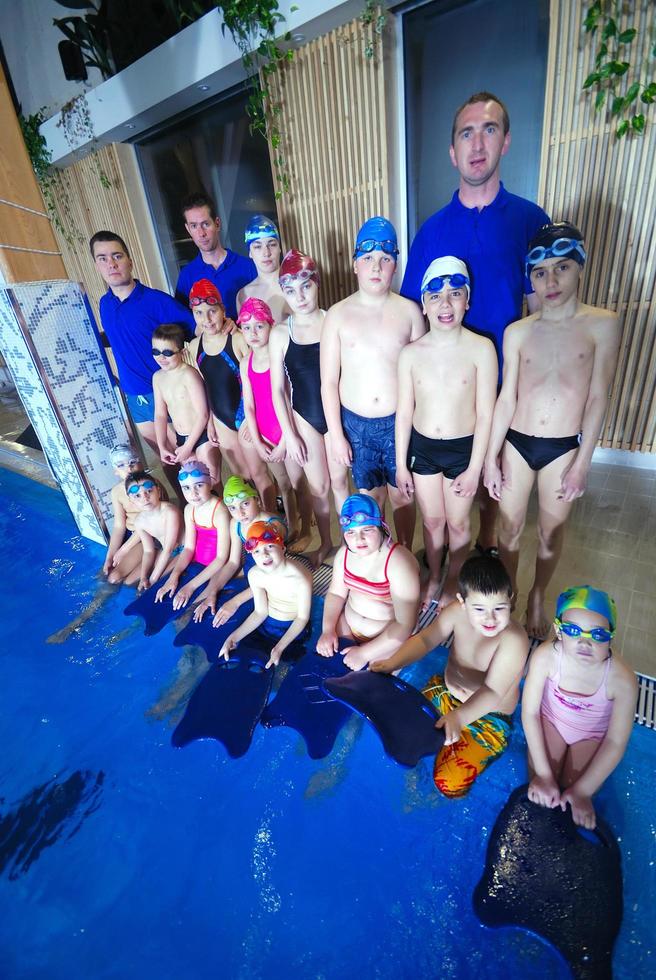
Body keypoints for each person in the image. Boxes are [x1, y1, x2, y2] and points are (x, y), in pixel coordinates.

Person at [401, 92, 550, 552]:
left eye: (489, 129)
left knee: (495, 488)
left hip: (507, 386)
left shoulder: (529, 221)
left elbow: (543, 314)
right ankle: (449, 558)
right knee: (451, 496)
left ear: (505, 141)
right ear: (453, 151)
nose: (477, 142)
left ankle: (480, 562)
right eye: (467, 132)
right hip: (450, 390)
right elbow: (413, 316)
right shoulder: (433, 229)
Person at [484, 222, 620, 638]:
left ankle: (538, 594)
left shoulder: (603, 324)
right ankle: (508, 595)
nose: (551, 280)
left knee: (548, 531)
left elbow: (598, 397)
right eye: (540, 272)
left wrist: (583, 463)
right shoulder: (518, 332)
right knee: (506, 529)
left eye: (561, 267)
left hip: (563, 447)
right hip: (517, 443)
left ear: (580, 267)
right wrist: (490, 457)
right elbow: (506, 399)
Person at [373, 554, 528, 798]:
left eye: (499, 608)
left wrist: (459, 717)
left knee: (450, 784)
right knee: (399, 735)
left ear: (510, 599)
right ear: (462, 602)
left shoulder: (514, 640)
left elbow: (493, 691)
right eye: (479, 609)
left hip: (487, 717)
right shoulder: (456, 613)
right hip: (445, 693)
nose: (490, 618)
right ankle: (419, 765)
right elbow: (425, 640)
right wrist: (393, 662)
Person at [396, 257, 497, 611]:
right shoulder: (410, 354)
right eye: (435, 296)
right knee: (433, 520)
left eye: (455, 294)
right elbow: (404, 412)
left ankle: (455, 579)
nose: (445, 304)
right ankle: (435, 575)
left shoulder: (481, 348)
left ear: (467, 301)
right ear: (423, 305)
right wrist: (399, 465)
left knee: (457, 523)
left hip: (462, 451)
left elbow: (486, 414)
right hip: (422, 450)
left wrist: (475, 469)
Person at [321, 217, 425, 545]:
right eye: (367, 258)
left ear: (396, 264)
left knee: (403, 497)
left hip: (399, 423)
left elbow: (421, 380)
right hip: (357, 425)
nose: (376, 266)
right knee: (371, 497)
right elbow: (328, 383)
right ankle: (377, 558)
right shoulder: (337, 314)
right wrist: (337, 436)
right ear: (355, 265)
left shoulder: (410, 312)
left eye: (385, 258)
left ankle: (404, 553)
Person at [521, 586, 637, 829]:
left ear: (612, 637)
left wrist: (583, 791)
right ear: (558, 631)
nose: (585, 642)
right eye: (573, 631)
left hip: (591, 737)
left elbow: (615, 742)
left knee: (574, 794)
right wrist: (543, 774)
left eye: (598, 635)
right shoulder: (545, 657)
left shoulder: (622, 679)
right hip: (551, 723)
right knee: (543, 788)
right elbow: (530, 713)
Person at [91, 231, 195, 467]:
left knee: (189, 462)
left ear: (130, 260)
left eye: (117, 256)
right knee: (165, 460)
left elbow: (196, 329)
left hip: (166, 391)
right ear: (97, 265)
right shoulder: (106, 304)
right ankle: (180, 503)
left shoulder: (157, 302)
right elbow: (123, 334)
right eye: (103, 258)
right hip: (133, 393)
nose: (112, 264)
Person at [269, 249, 346, 565]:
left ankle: (350, 544)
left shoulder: (334, 321)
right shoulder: (280, 333)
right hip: (304, 417)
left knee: (341, 483)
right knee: (319, 486)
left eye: (306, 286)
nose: (299, 296)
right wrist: (289, 434)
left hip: (336, 415)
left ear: (317, 284)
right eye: (290, 290)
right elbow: (277, 390)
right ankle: (326, 542)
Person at [186, 278, 275, 509]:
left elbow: (255, 380)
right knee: (241, 475)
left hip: (246, 415)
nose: (206, 319)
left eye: (212, 311)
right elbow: (205, 386)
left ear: (223, 310)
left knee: (259, 472)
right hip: (221, 419)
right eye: (199, 313)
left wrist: (252, 419)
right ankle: (253, 520)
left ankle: (272, 518)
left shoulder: (236, 339)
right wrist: (211, 423)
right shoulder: (194, 346)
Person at [238, 297, 311, 548]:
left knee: (299, 482)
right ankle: (293, 526)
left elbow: (289, 400)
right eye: (247, 328)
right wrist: (258, 441)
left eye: (259, 326)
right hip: (266, 433)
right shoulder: (245, 362)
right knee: (284, 485)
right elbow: (248, 405)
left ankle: (307, 527)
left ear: (271, 325)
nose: (253, 333)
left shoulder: (279, 356)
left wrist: (285, 441)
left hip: (286, 432)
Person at [316, 494, 420, 671]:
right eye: (351, 532)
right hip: (349, 626)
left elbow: (405, 624)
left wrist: (365, 653)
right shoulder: (344, 555)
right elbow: (335, 594)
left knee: (374, 679)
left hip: (389, 638)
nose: (359, 539)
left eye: (367, 529)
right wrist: (327, 629)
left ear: (381, 527)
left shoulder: (398, 562)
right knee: (328, 667)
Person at [191, 474, 287, 625]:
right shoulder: (236, 524)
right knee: (206, 606)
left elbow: (274, 574)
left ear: (257, 500)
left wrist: (235, 602)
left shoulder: (270, 526)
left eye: (245, 504)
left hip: (271, 576)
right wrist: (213, 591)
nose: (240, 513)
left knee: (236, 617)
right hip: (251, 572)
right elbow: (233, 563)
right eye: (233, 508)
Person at [218, 521, 312, 669]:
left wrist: (279, 647)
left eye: (270, 546)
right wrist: (233, 637)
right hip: (266, 625)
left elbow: (302, 618)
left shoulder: (300, 576)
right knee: (243, 655)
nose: (265, 554)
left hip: (293, 629)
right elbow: (260, 612)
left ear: (282, 547)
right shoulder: (255, 575)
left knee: (291, 664)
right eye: (257, 551)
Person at [154, 461, 231, 610]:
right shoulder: (189, 509)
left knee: (189, 610)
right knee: (163, 593)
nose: (193, 493)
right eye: (186, 488)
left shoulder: (220, 511)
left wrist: (190, 587)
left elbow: (221, 558)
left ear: (210, 483)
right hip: (195, 562)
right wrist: (174, 576)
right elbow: (189, 548)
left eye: (199, 485)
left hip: (217, 568)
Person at [151, 323, 220, 485]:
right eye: (155, 351)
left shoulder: (189, 375)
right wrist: (162, 446)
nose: (161, 357)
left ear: (182, 352)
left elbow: (203, 415)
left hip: (202, 436)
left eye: (167, 353)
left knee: (211, 484)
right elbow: (160, 415)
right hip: (181, 439)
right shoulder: (158, 377)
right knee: (193, 485)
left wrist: (189, 446)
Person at [175, 191, 255, 320]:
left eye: (205, 224)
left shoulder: (248, 267)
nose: (201, 233)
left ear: (217, 223)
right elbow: (184, 324)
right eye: (194, 226)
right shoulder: (187, 276)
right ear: (188, 230)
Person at [119, 471, 183, 591]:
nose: (145, 498)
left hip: (182, 551)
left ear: (158, 491)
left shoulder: (169, 512)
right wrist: (143, 577)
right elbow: (148, 551)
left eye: (149, 491)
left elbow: (169, 549)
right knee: (129, 583)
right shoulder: (139, 521)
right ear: (131, 500)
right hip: (164, 551)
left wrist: (153, 578)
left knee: (152, 585)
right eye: (137, 496)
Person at [102, 442, 144, 584]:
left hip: (146, 536)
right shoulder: (117, 492)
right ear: (115, 471)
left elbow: (150, 524)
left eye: (132, 462)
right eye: (121, 465)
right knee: (104, 573)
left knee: (115, 578)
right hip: (131, 534)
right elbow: (119, 526)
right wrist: (110, 555)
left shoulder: (150, 488)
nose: (129, 468)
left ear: (140, 464)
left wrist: (124, 550)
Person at [236, 215, 291, 323]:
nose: (266, 253)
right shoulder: (243, 295)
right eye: (257, 247)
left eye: (272, 245)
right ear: (250, 253)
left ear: (280, 248)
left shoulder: (295, 285)